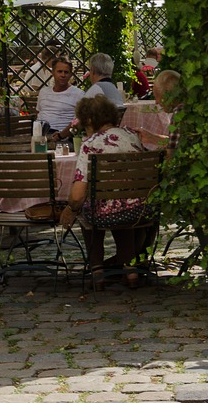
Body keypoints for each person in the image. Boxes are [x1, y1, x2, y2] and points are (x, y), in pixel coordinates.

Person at [59, 94, 150, 289]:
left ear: (90, 120)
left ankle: (98, 271)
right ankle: (130, 270)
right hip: (139, 211)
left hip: (105, 216)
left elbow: (77, 195)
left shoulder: (90, 145)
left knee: (89, 207)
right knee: (122, 202)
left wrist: (70, 209)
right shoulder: (132, 135)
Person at [37, 57, 84, 140]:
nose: (63, 75)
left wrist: (61, 135)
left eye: (66, 72)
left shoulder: (78, 94)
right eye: (59, 71)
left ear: (70, 74)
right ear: (53, 73)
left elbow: (79, 121)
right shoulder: (43, 92)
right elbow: (39, 113)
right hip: (40, 134)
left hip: (63, 137)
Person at [151, 69, 183, 157]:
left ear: (166, 95)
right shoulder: (191, 105)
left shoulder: (179, 112)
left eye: (157, 96)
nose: (156, 102)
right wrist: (150, 137)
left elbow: (172, 154)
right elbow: (176, 141)